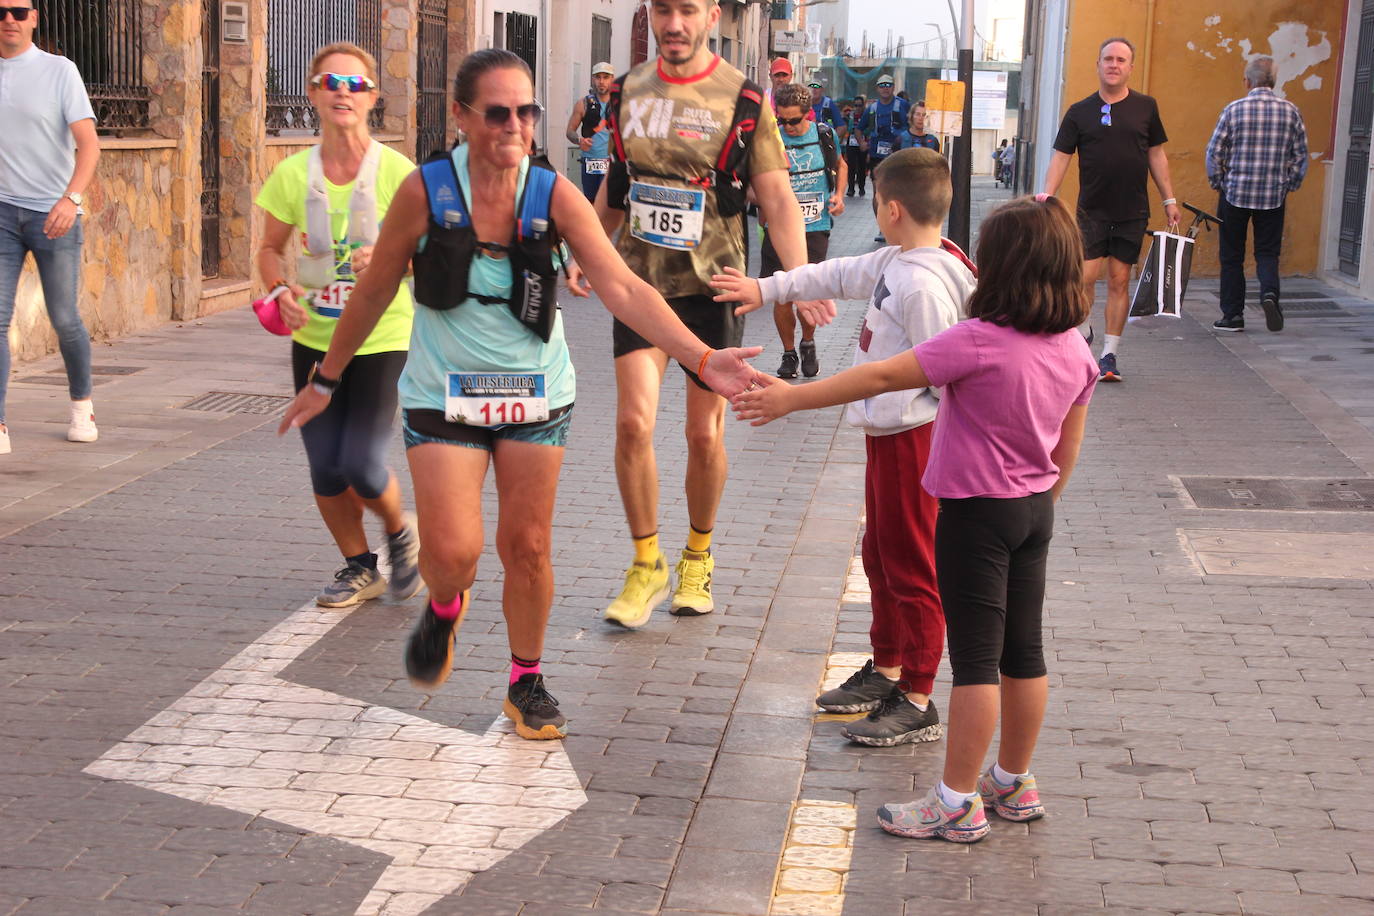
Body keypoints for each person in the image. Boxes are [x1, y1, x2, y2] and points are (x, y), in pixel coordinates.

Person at [278, 48, 760, 740]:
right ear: (462, 117)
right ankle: (445, 608)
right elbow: (378, 287)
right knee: (453, 555)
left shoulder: (553, 194)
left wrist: (703, 358)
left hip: (536, 397)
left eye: (526, 112)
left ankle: (524, 681)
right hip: (444, 396)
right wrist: (326, 378)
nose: (515, 126)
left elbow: (623, 287)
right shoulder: (425, 191)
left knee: (528, 546)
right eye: (498, 112)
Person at [733, 193, 1097, 843]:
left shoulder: (979, 340)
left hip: (974, 516)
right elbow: (1066, 448)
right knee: (1025, 655)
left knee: (977, 663)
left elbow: (878, 378)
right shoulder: (1075, 348)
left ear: (1003, 268)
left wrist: (792, 398)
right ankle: (1013, 782)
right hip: (1035, 513)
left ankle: (956, 802)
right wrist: (1039, 501)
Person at [714, 148, 974, 747]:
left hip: (917, 439)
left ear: (890, 209)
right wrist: (766, 285)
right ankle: (886, 668)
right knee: (880, 552)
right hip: (890, 435)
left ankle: (918, 693)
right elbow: (834, 275)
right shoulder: (900, 258)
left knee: (912, 562)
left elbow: (942, 374)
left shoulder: (923, 283)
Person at [594, 0, 833, 629]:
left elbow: (777, 197)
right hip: (641, 285)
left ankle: (697, 555)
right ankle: (647, 563)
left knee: (704, 435)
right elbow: (617, 185)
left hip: (715, 287)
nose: (675, 23)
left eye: (688, 10)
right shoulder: (626, 93)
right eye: (664, 9)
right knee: (632, 424)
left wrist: (798, 280)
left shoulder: (744, 101)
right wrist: (586, 250)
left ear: (711, 15)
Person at [255, 43, 422, 608]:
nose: (342, 93)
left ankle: (401, 533)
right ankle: (359, 566)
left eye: (355, 85)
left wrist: (395, 258)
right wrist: (280, 290)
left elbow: (433, 255)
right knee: (326, 467)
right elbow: (269, 250)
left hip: (381, 338)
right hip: (314, 340)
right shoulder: (291, 174)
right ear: (312, 93)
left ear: (373, 97)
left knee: (360, 460)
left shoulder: (399, 173)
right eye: (330, 83)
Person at [1043, 37, 1180, 383]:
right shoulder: (1079, 111)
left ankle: (1109, 356)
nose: (1114, 64)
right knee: (1083, 279)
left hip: (1132, 211)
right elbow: (1061, 156)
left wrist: (1169, 199)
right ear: (1099, 64)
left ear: (1130, 67)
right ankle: (1085, 330)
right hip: (1091, 212)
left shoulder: (1146, 108)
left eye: (1121, 59)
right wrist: (1046, 196)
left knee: (1119, 281)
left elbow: (1156, 155)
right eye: (1108, 59)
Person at [0, 0, 100, 455]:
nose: (8, 20)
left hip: (54, 214)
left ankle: (82, 405)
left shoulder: (60, 71)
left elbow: (89, 147)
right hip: (1, 213)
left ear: (35, 18)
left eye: (18, 11)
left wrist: (71, 199)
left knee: (64, 319)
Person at [1205, 55, 1308, 334]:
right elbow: (1300, 156)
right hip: (1273, 195)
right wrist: (1290, 185)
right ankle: (1269, 295)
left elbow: (1215, 153)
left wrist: (1219, 182)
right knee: (1267, 252)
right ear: (1273, 82)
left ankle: (1232, 316)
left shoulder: (1234, 110)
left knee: (1231, 256)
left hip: (1235, 193)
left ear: (1247, 81)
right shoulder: (1291, 111)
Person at [765, 83, 846, 380]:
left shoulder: (823, 134)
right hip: (779, 226)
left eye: (794, 121)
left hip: (816, 225)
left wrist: (838, 195)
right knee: (783, 293)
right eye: (782, 120)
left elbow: (840, 165)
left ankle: (808, 343)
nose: (788, 127)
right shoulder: (771, 137)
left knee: (809, 289)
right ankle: (789, 353)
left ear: (807, 114)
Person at [860, 75, 911, 242]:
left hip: (897, 154)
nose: (885, 88)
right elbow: (859, 128)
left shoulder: (902, 105)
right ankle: (882, 227)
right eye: (881, 85)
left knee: (898, 191)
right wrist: (862, 143)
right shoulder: (872, 108)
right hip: (877, 156)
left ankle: (901, 225)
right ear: (877, 88)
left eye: (888, 85)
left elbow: (913, 124)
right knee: (878, 192)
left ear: (893, 87)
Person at [564, 61, 615, 202]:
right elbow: (570, 131)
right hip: (589, 161)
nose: (601, 81)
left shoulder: (619, 104)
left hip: (611, 162)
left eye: (606, 77)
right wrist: (580, 141)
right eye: (598, 77)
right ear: (593, 79)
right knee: (590, 201)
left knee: (605, 202)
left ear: (612, 79)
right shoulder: (583, 104)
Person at [844, 94, 869, 198]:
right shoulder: (851, 115)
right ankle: (850, 188)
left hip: (862, 142)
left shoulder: (867, 115)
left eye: (860, 105)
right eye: (856, 105)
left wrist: (862, 132)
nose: (858, 108)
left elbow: (869, 128)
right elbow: (848, 128)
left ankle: (861, 187)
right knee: (851, 166)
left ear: (863, 105)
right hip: (852, 142)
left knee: (862, 166)